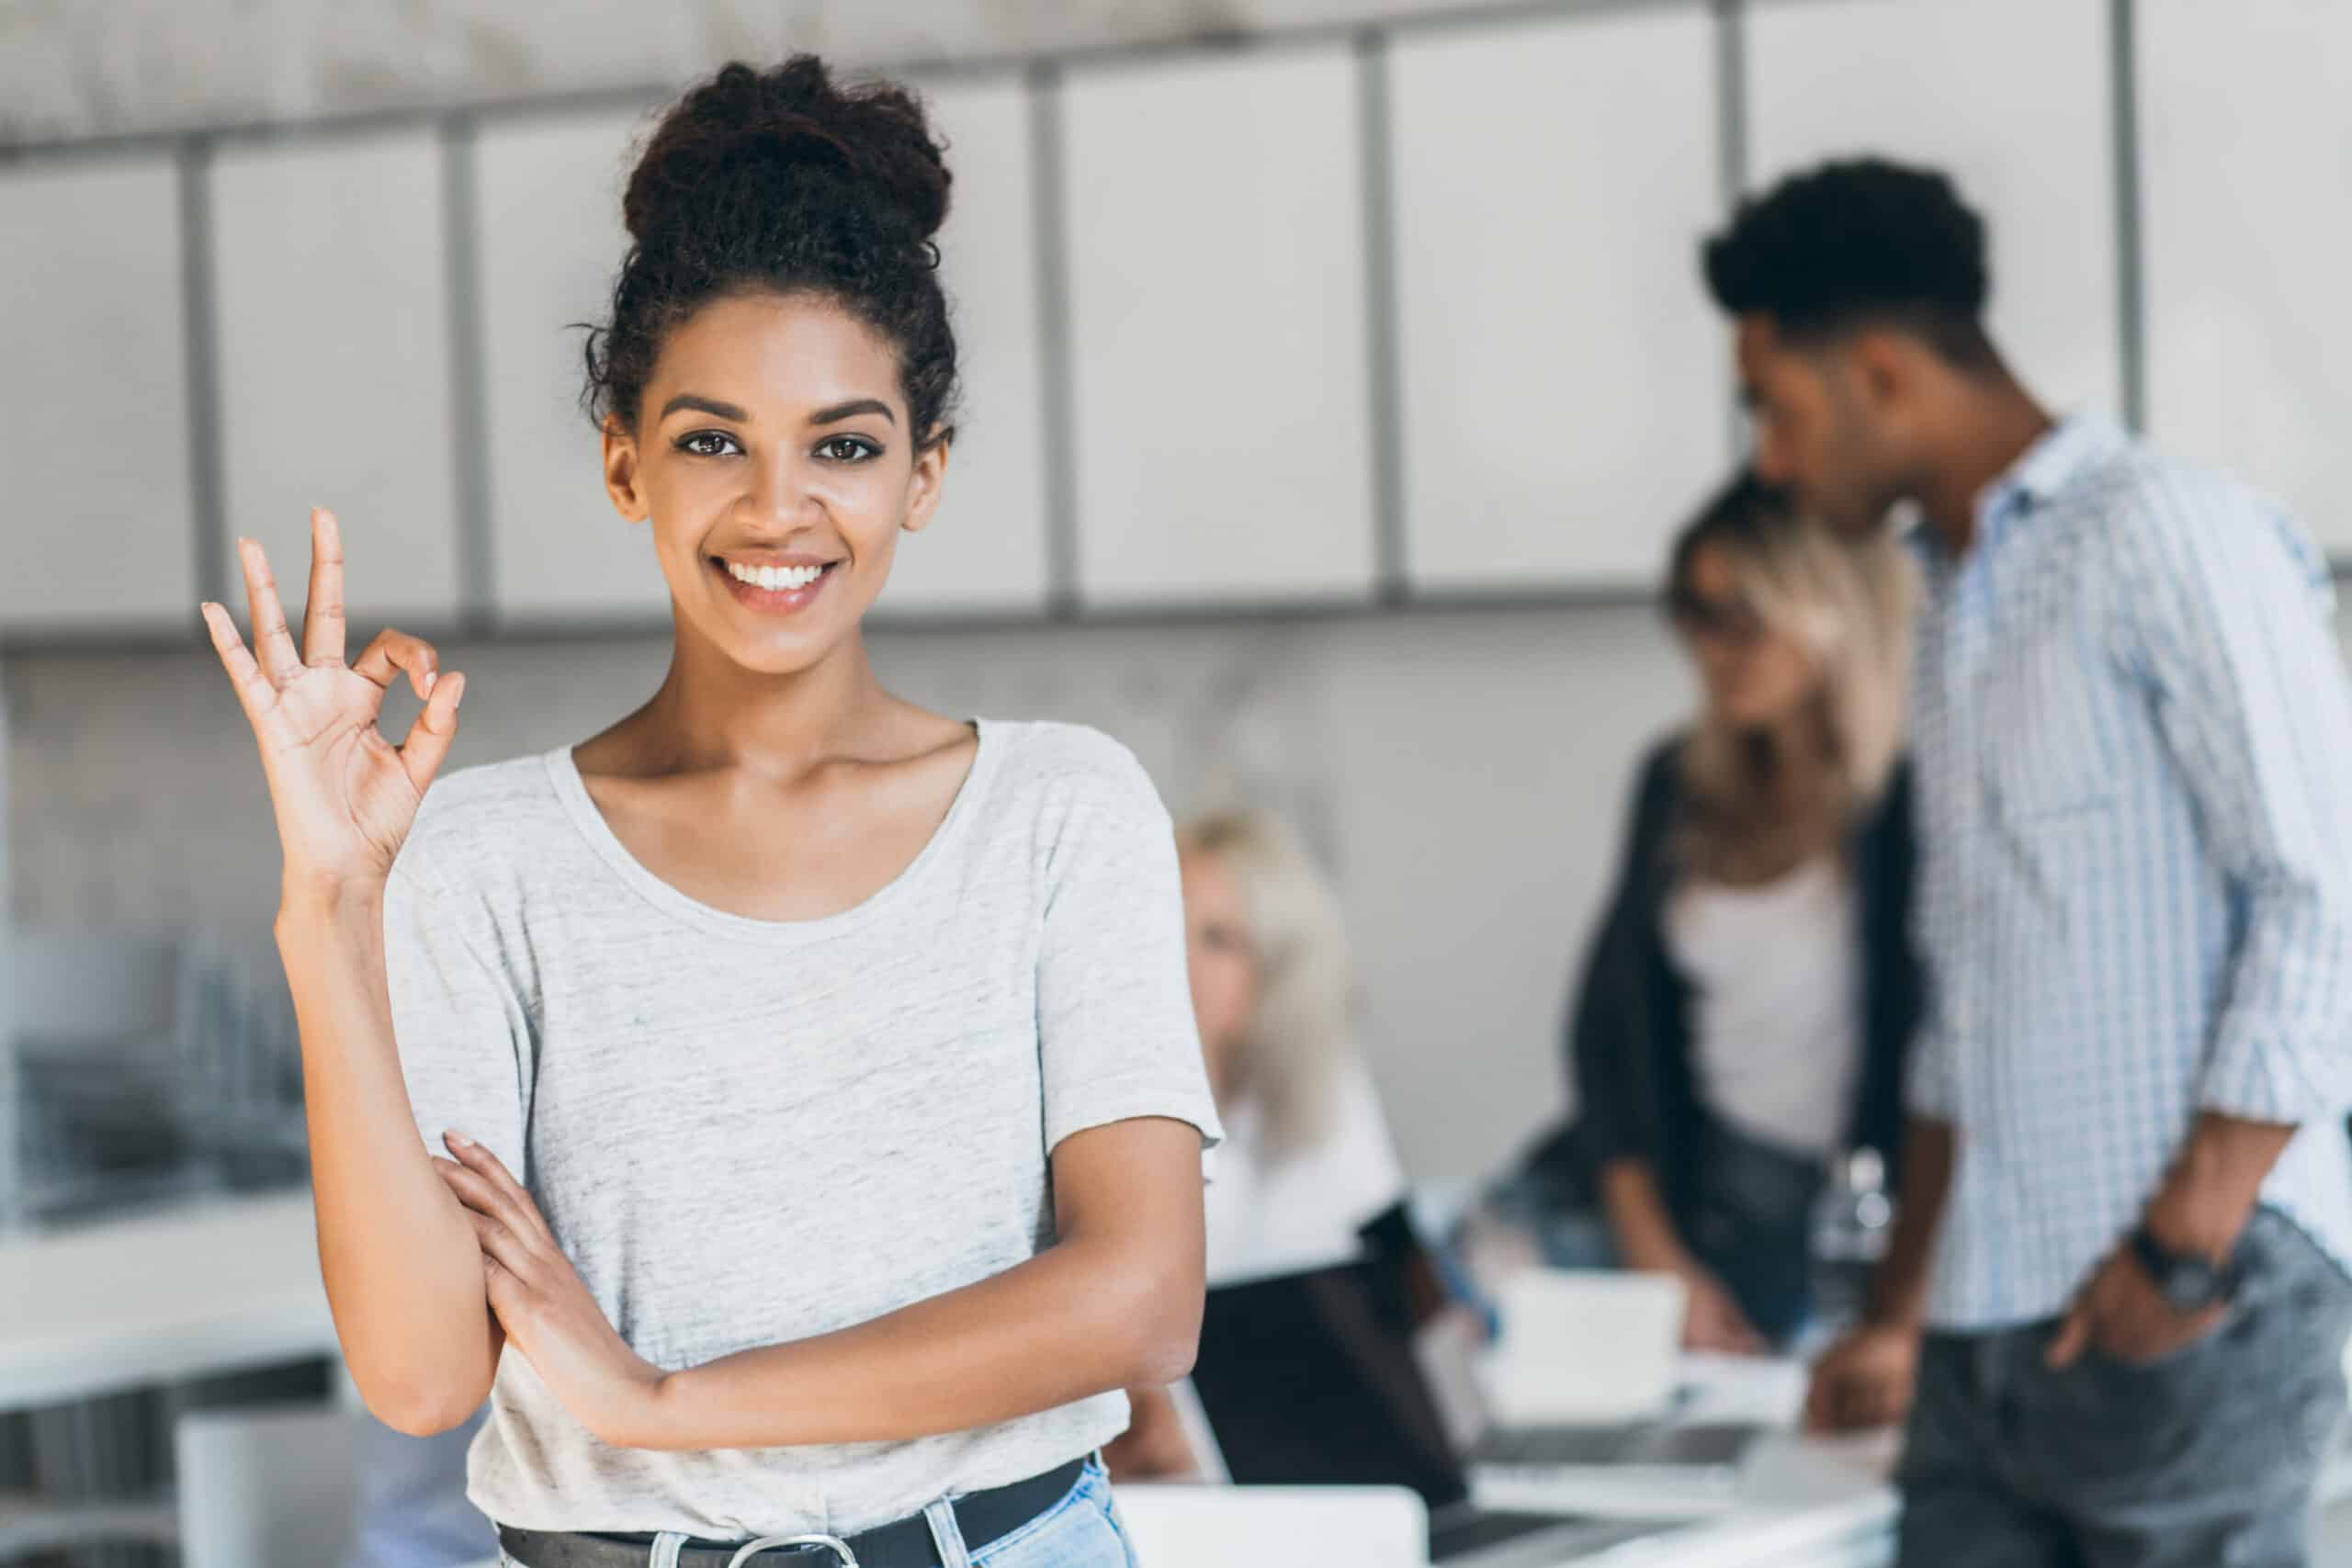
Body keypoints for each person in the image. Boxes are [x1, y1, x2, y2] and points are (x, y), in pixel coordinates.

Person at [200, 55, 1220, 1568]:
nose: (776, 507)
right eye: (711, 438)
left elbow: (1141, 1301)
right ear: (626, 462)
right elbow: (419, 1375)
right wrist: (330, 903)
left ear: (924, 472)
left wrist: (664, 1402)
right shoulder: (485, 857)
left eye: (845, 444)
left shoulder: (1061, 814)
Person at [1707, 157, 2352, 1567]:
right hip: (1984, 1323)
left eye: (1777, 406)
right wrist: (1898, 1307)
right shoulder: (1951, 597)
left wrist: (2183, 1249)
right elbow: (1966, 1010)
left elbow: (2326, 893)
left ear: (1880, 372)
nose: (1770, 459)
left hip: (2182, 1307)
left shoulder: (2163, 532)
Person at [1464, 473, 1921, 1353]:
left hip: (1827, 1220)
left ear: (1829, 608)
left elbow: (1936, 1062)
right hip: (1670, 1192)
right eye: (1694, 614)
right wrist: (1658, 1257)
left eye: (1743, 615)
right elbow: (1606, 1036)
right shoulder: (1676, 785)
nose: (1715, 648)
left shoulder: (1903, 808)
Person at [1105, 807, 1409, 1480]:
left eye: (1218, 939)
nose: (1178, 959)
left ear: (1277, 969)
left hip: (1314, 1443)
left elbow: (1390, 1271)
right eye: (1162, 922)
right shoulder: (1101, 1114)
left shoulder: (1328, 1090)